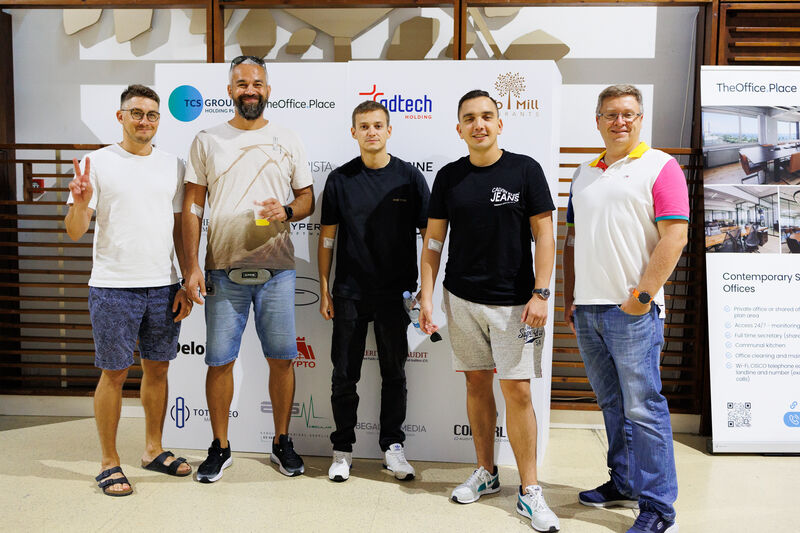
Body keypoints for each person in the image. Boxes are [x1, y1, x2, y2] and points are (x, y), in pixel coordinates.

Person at [419, 90, 559, 532]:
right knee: (477, 384)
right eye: (469, 118)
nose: (478, 124)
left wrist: (542, 292)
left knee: (518, 392)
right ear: (458, 128)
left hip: (516, 303)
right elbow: (433, 242)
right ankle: (486, 472)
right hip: (461, 299)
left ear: (500, 123)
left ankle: (530, 490)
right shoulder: (449, 177)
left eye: (486, 116)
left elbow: (546, 235)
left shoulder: (525, 170)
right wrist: (427, 295)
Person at [182, 56, 314, 482]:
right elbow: (192, 206)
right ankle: (220, 446)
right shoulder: (207, 140)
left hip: (278, 270)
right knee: (219, 361)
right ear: (230, 91)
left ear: (268, 90)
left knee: (282, 359)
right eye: (241, 83)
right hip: (222, 269)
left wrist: (288, 211)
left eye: (257, 83)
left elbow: (307, 198)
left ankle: (281, 442)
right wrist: (191, 266)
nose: (250, 90)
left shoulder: (288, 138)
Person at [563, 84, 688, 533]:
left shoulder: (660, 166)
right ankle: (625, 482)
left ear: (640, 119)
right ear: (598, 121)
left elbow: (675, 237)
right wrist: (570, 296)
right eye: (611, 114)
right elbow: (573, 240)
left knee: (643, 408)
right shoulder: (583, 173)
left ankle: (658, 508)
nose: (620, 121)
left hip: (632, 311)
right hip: (588, 310)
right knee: (612, 404)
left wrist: (642, 298)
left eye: (628, 114)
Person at [65, 84, 193, 496]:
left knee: (158, 368)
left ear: (159, 120)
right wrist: (80, 203)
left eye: (151, 114)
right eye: (136, 113)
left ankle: (153, 449)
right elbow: (74, 231)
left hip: (163, 286)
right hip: (113, 287)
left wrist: (184, 279)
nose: (144, 121)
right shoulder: (97, 163)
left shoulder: (173, 164)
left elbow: (179, 227)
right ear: (120, 117)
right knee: (114, 373)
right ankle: (109, 461)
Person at [318, 100, 430, 483]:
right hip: (349, 293)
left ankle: (392, 447)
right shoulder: (339, 179)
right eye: (364, 126)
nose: (371, 132)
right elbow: (327, 239)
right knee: (343, 375)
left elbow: (430, 237)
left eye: (378, 125)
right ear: (354, 132)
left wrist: (426, 289)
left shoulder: (410, 178)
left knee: (394, 374)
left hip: (396, 295)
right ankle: (342, 450)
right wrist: (324, 287)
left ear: (389, 130)